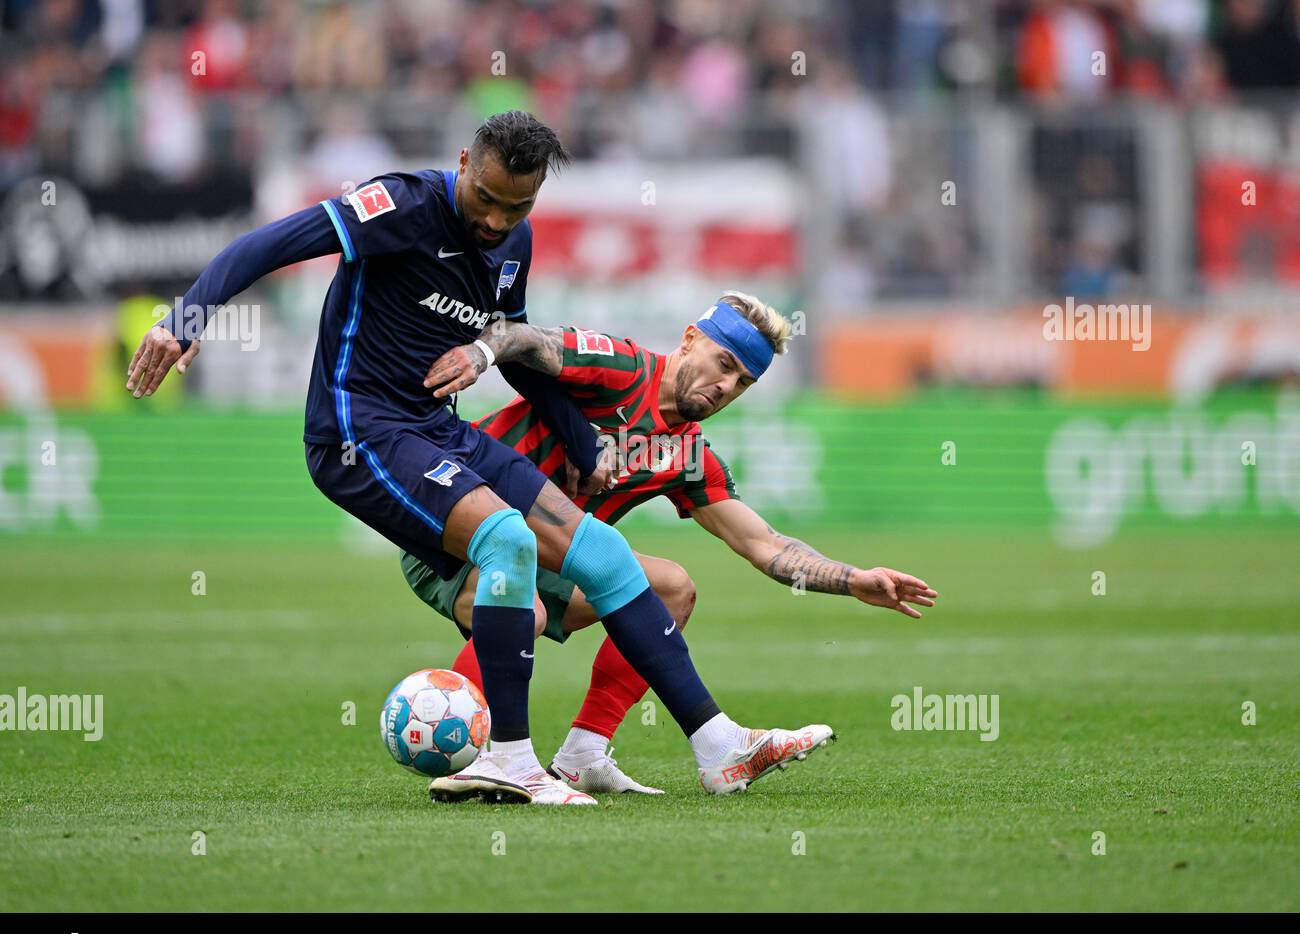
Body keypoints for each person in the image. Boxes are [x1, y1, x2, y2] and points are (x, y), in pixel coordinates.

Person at [126, 111, 831, 806]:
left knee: (608, 555)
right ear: (464, 163)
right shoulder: (402, 203)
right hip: (359, 429)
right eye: (485, 198)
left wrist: (582, 445)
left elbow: (517, 352)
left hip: (438, 428)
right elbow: (269, 242)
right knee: (507, 539)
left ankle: (718, 747)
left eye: (515, 205)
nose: (495, 220)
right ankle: (511, 761)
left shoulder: (515, 243)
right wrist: (187, 317)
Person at [414, 292, 938, 798]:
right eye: (724, 362)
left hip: (547, 554)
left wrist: (854, 579)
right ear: (690, 339)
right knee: (524, 608)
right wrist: (479, 355)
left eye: (742, 382)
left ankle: (582, 757)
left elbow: (763, 543)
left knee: (672, 587)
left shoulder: (686, 454)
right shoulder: (621, 368)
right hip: (452, 531)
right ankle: (488, 757)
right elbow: (522, 338)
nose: (725, 386)